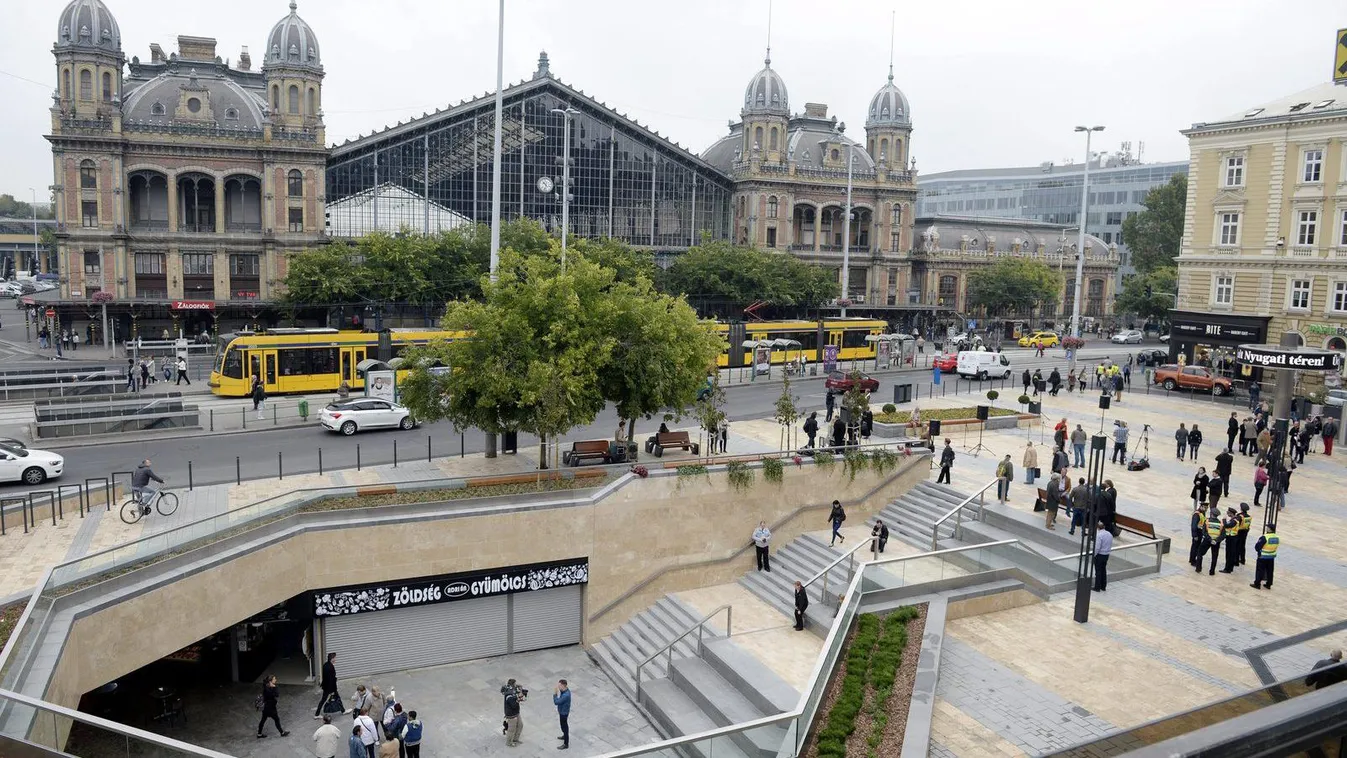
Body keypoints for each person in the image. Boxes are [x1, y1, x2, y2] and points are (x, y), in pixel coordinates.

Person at [257, 674, 289, 738]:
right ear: (270, 681)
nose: (276, 680)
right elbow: (276, 695)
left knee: (263, 720)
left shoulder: (266, 687)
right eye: (274, 679)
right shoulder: (270, 689)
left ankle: (259, 734)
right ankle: (282, 733)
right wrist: (274, 687)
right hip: (271, 708)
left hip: (265, 708)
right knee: (276, 719)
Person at [1199, 505, 1225, 576]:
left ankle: (1198, 568)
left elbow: (1204, 532)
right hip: (1216, 542)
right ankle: (1212, 571)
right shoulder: (1221, 524)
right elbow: (1223, 535)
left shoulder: (1207, 521)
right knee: (1214, 556)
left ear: (1211, 514)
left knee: (1200, 553)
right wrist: (1216, 540)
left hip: (1207, 541)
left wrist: (1210, 539)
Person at [1250, 524, 1279, 589]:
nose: (1266, 528)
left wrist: (1259, 552)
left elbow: (1257, 547)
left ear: (1269, 529)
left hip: (1263, 556)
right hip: (1271, 557)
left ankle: (1257, 584)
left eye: (1267, 527)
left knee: (1260, 570)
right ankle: (1269, 584)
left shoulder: (1265, 537)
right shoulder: (1277, 537)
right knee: (1270, 571)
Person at [316, 652, 339, 718]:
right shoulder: (331, 667)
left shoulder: (325, 665)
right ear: (332, 659)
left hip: (326, 686)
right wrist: (333, 690)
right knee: (323, 699)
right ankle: (316, 714)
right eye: (335, 658)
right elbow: (331, 680)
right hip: (329, 688)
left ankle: (343, 710)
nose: (335, 659)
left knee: (337, 697)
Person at [1092, 521, 1113, 592]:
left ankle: (1097, 587)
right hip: (1106, 555)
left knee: (1098, 571)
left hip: (1100, 555)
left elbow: (1097, 547)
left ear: (1098, 527)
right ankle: (1103, 586)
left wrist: (1094, 555)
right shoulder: (1109, 534)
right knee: (1103, 570)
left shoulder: (1099, 535)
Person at [1219, 507, 1241, 573]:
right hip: (1232, 538)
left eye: (1228, 513)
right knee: (1230, 554)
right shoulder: (1234, 519)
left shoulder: (1234, 521)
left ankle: (1227, 569)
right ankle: (1230, 568)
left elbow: (1227, 526)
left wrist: (1224, 520)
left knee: (1229, 554)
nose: (1227, 514)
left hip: (1232, 539)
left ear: (1231, 513)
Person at [502, 680, 523, 747]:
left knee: (520, 725)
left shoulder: (512, 691)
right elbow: (513, 705)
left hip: (516, 712)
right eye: (514, 684)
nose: (515, 685)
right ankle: (509, 742)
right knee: (511, 729)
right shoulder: (508, 695)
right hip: (511, 714)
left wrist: (520, 689)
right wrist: (518, 699)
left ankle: (515, 739)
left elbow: (518, 691)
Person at [553, 679, 571, 750]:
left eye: (559, 685)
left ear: (563, 686)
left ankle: (566, 744)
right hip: (562, 711)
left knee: (564, 726)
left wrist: (555, 694)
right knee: (562, 725)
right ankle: (564, 735)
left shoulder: (566, 695)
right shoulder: (565, 690)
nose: (558, 686)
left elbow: (556, 702)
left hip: (564, 713)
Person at [1189, 501, 1207, 568]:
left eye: (1206, 508)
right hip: (1197, 533)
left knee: (1196, 546)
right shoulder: (1197, 514)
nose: (1206, 509)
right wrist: (1195, 535)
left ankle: (1192, 559)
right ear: (1201, 507)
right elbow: (1193, 526)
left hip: (1200, 532)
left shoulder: (1202, 513)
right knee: (1195, 547)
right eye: (1204, 507)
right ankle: (1193, 560)